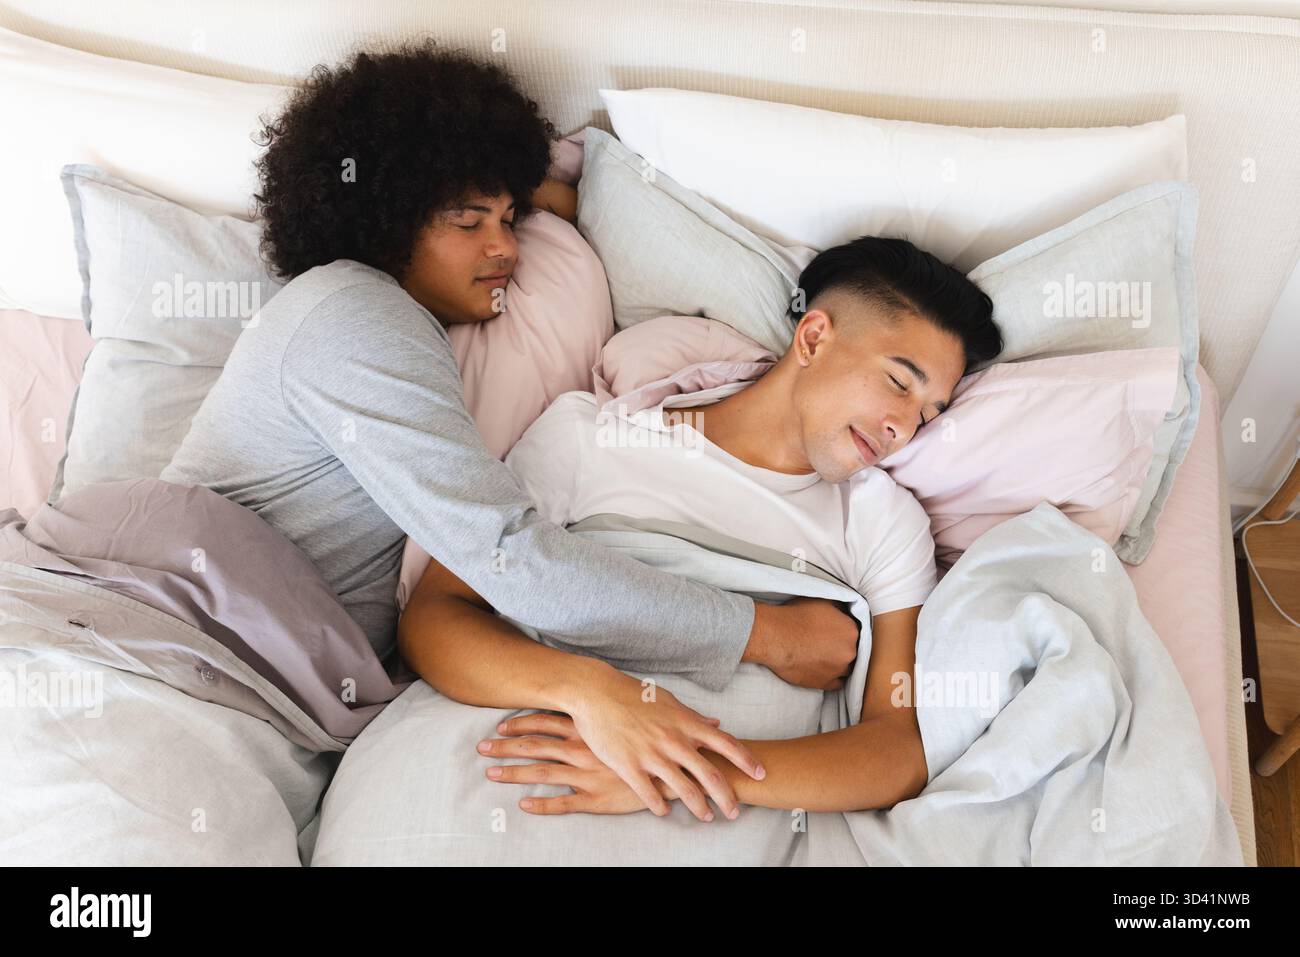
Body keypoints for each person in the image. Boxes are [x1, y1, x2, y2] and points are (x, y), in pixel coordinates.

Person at [160, 42, 858, 816]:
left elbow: (550, 201)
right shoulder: (351, 311)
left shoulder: (406, 320)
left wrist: (526, 197)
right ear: (384, 222)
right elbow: (509, 555)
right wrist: (765, 635)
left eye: (507, 218)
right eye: (469, 222)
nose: (505, 248)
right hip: (176, 658)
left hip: (257, 698)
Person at [400, 236, 1003, 820]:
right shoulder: (590, 440)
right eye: (899, 382)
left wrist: (683, 767)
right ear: (814, 337)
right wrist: (597, 695)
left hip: (716, 807)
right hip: (511, 763)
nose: (903, 426)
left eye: (928, 414)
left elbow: (897, 751)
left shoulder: (883, 522)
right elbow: (434, 618)